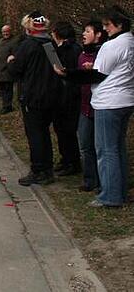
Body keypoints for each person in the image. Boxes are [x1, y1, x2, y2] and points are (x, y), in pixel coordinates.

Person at [56, 7, 133, 207]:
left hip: (109, 102)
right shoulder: (130, 42)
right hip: (125, 100)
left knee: (106, 151)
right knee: (117, 149)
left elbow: (97, 74)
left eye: (108, 25)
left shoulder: (112, 45)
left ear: (119, 25)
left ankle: (110, 196)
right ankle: (119, 191)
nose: (105, 29)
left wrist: (68, 74)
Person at [8, 12, 63, 186]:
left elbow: (16, 70)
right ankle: (47, 168)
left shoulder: (28, 45)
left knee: (35, 134)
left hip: (32, 95)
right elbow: (58, 68)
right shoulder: (50, 44)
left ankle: (38, 170)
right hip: (51, 95)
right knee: (44, 133)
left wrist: (11, 61)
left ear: (28, 27)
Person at [57, 20, 107, 192]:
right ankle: (89, 179)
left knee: (101, 147)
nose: (84, 34)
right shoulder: (82, 55)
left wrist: (93, 69)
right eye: (84, 31)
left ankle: (103, 182)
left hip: (100, 105)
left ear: (98, 34)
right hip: (84, 106)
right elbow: (78, 78)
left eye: (88, 31)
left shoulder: (103, 53)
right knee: (85, 145)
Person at [50, 21, 82, 176]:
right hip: (60, 94)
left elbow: (71, 69)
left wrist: (63, 72)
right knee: (60, 130)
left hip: (69, 94)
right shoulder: (62, 48)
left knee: (68, 130)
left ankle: (72, 162)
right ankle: (65, 159)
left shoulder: (72, 49)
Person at [0, 25, 20, 113]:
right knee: (3, 89)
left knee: (8, 89)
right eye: (4, 32)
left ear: (10, 31)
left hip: (8, 70)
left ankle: (7, 107)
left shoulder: (14, 41)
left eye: (7, 31)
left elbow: (16, 55)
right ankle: (5, 105)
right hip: (0, 69)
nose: (5, 33)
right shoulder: (1, 40)